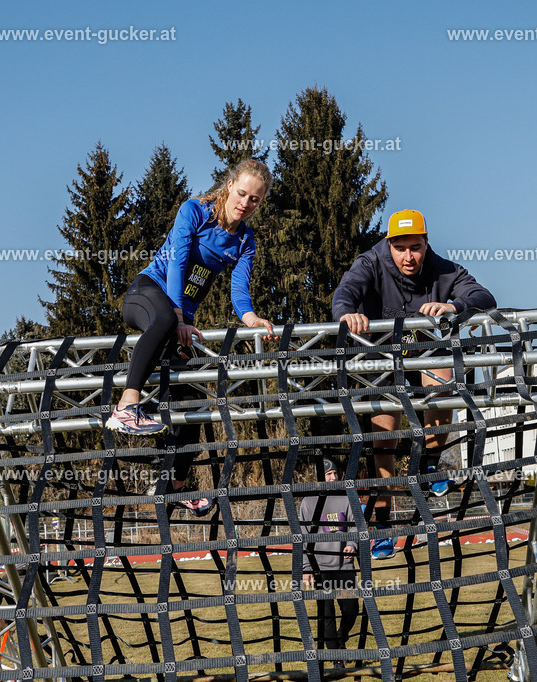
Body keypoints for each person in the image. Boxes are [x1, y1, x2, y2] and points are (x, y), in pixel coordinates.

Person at [106, 159, 276, 513]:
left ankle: (174, 485)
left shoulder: (245, 240)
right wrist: (179, 315)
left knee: (191, 404)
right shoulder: (195, 211)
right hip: (150, 294)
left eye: (255, 200)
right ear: (229, 186)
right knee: (166, 319)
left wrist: (251, 319)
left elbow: (239, 289)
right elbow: (179, 261)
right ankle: (126, 405)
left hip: (181, 318)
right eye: (242, 193)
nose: (245, 203)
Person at [332, 209, 496, 560]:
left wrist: (454, 304)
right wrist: (348, 313)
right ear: (389, 246)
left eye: (416, 248)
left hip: (425, 357)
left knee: (445, 373)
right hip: (382, 360)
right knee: (383, 443)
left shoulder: (444, 269)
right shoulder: (370, 262)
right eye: (401, 248)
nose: (409, 257)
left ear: (426, 244)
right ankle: (382, 523)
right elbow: (345, 292)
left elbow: (485, 297)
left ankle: (429, 460)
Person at [300, 458, 359, 665]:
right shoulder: (308, 502)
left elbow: (354, 527)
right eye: (329, 474)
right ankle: (336, 656)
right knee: (326, 616)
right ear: (319, 477)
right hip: (320, 569)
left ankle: (341, 640)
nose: (334, 478)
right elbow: (303, 538)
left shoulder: (347, 497)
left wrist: (352, 543)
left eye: (336, 473)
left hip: (345, 566)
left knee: (352, 610)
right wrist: (306, 569)